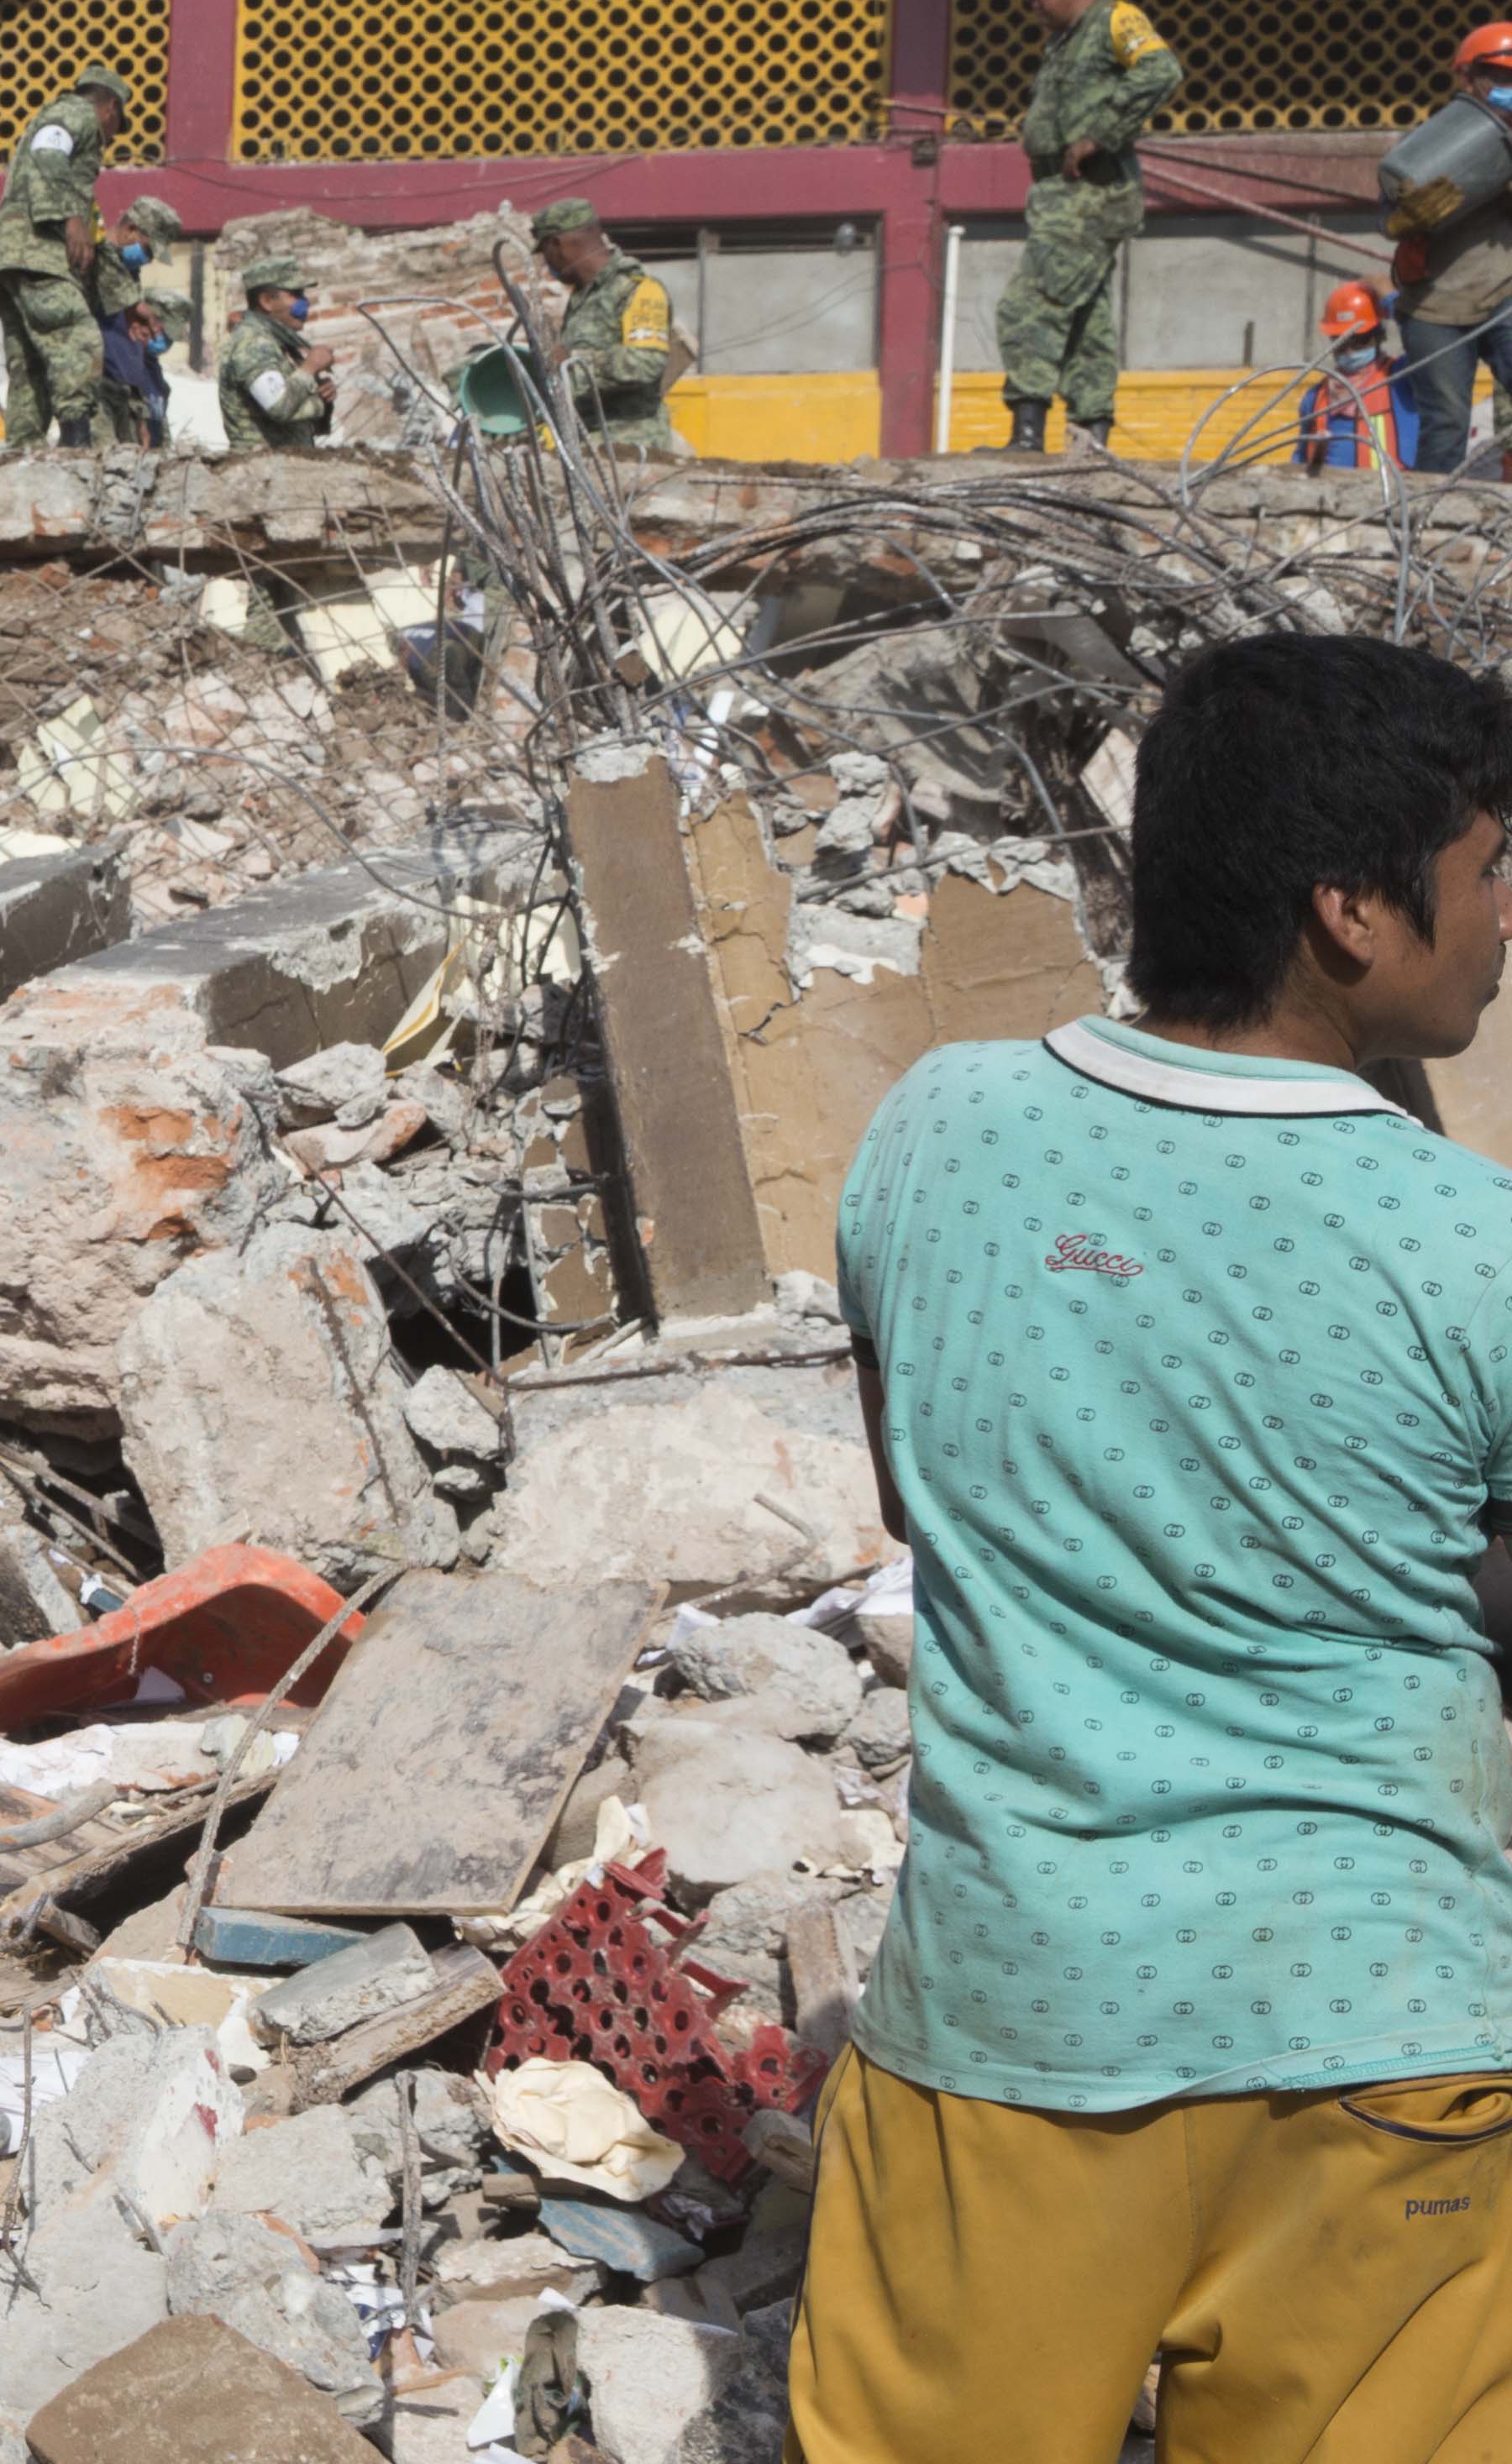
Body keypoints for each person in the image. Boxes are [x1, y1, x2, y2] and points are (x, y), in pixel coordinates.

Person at [793, 632, 1512, 2462]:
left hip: (1023, 2013)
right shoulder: (1473, 1244)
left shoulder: (937, 1134)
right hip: (1390, 2027)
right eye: (1495, 870)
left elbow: (917, 1484)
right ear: (1355, 909)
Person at [992, 0, 1180, 456]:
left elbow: (1162, 71)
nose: (1030, 2)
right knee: (1084, 316)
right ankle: (1090, 437)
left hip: (1090, 191)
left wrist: (1100, 131)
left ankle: (1027, 431)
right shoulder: (1063, 39)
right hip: (1058, 191)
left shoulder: (1114, 19)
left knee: (1030, 302)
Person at [0, 58, 127, 450]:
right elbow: (49, 149)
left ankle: (22, 453)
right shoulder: (76, 112)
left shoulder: (66, 119)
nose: (111, 137)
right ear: (110, 107)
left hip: (10, 255)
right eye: (116, 126)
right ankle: (77, 447)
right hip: (37, 249)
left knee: (30, 365)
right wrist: (69, 218)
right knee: (77, 338)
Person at [1395, 23, 1512, 474]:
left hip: (1503, 294)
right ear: (1468, 79)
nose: (1506, 88)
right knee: (1445, 425)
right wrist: (1412, 211)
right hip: (1435, 308)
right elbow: (1390, 216)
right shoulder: (1432, 145)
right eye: (1496, 78)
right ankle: (1427, 531)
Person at [533, 197, 689, 454]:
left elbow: (646, 362)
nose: (547, 264)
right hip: (589, 448)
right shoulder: (584, 298)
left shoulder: (636, 288)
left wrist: (574, 360)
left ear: (557, 245)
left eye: (545, 254)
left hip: (632, 452)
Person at [89, 197, 185, 443]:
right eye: (149, 250)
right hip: (96, 392)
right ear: (131, 229)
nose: (149, 260)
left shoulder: (129, 274)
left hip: (123, 396)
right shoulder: (93, 258)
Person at [215, 255, 335, 451]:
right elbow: (278, 406)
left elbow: (298, 414)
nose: (305, 303)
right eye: (296, 294)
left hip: (286, 467)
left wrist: (321, 396)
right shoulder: (252, 343)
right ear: (267, 301)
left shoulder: (277, 343)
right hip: (260, 471)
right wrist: (309, 368)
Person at [1299, 279, 1417, 472]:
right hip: (1330, 498)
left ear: (1378, 336)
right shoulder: (1315, 398)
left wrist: (1395, 304)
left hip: (1390, 493)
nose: (1349, 351)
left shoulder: (1400, 379)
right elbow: (1301, 458)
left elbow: (1424, 348)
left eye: (1359, 341)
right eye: (1341, 342)